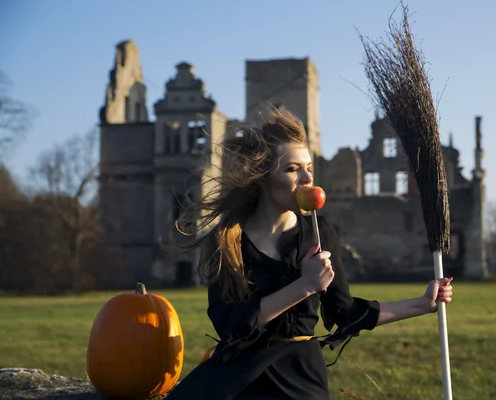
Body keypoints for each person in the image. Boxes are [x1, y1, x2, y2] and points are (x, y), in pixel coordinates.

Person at [167, 108, 453, 400]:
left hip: (300, 375)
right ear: (263, 176)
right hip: (239, 374)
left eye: (309, 168)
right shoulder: (229, 237)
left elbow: (346, 312)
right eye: (292, 169)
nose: (307, 178)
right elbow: (229, 323)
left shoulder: (320, 233)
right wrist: (304, 286)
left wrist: (423, 304)